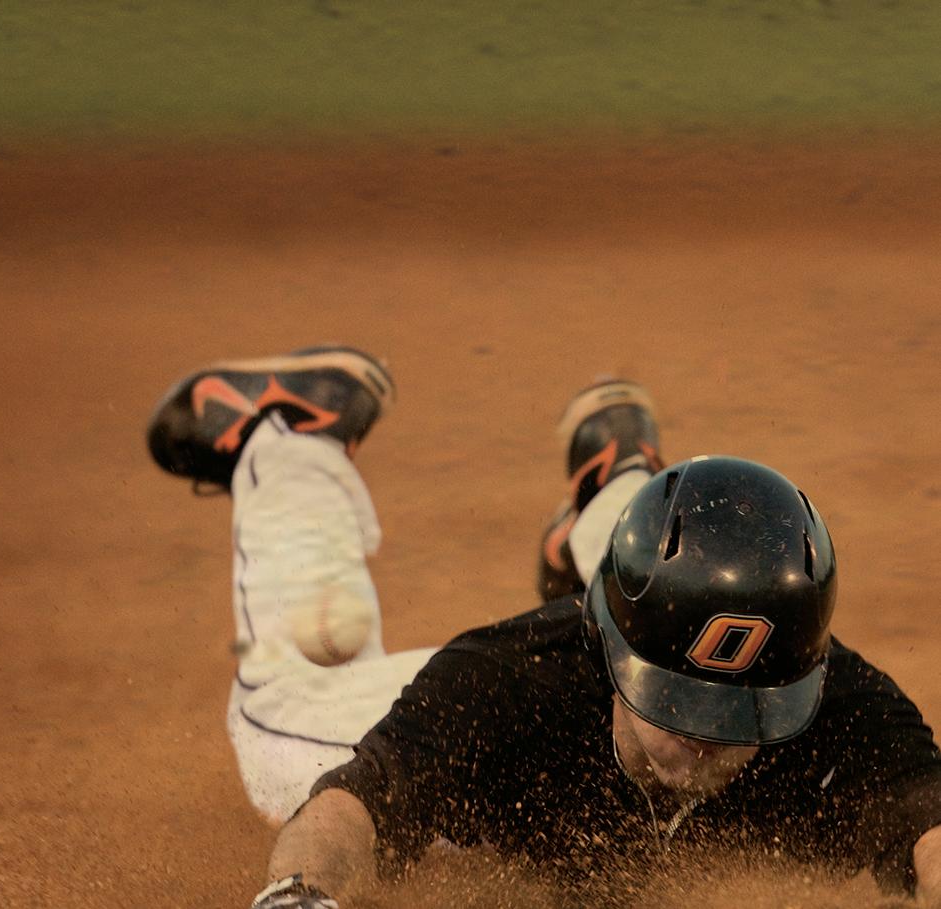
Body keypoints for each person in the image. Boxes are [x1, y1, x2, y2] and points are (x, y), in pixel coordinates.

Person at [147, 347, 941, 909]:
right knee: (281, 712)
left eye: (740, 713)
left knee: (660, 575)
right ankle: (293, 436)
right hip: (441, 720)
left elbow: (933, 831)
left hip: (638, 611)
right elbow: (350, 809)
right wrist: (298, 895)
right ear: (611, 647)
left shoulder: (847, 717)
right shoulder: (505, 687)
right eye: (678, 701)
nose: (705, 737)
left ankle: (616, 477)